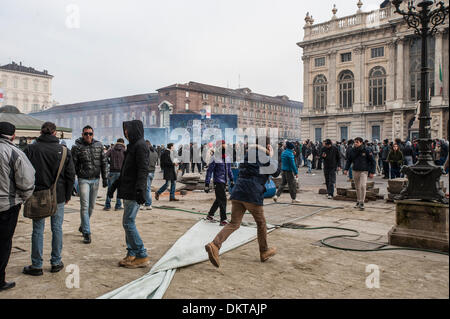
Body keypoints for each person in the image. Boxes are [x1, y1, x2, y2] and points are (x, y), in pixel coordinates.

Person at [205, 139, 280, 268]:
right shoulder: (262, 155)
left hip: (238, 192)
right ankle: (264, 251)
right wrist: (271, 157)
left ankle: (215, 245)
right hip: (252, 193)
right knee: (261, 223)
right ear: (267, 146)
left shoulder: (249, 154)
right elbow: (276, 171)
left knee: (234, 223)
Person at [22, 122, 75, 276]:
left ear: (41, 132)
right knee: (57, 228)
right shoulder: (64, 151)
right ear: (55, 133)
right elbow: (71, 175)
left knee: (37, 230)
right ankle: (56, 262)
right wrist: (68, 195)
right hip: (58, 195)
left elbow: (24, 172)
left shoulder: (31, 149)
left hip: (37, 194)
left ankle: (37, 265)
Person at [110, 120, 150, 268]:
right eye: (124, 129)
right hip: (128, 189)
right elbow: (127, 169)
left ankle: (141, 254)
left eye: (128, 129)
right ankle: (131, 252)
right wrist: (116, 184)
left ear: (135, 130)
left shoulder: (140, 146)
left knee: (128, 222)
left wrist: (140, 189)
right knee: (128, 223)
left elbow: (143, 170)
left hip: (134, 190)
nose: (125, 132)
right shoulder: (133, 146)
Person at [0, 122, 35, 291]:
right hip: (7, 206)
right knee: (3, 243)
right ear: (13, 136)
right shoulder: (14, 153)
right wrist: (24, 198)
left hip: (7, 203)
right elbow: (27, 181)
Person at [71, 125, 109, 244]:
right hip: (83, 179)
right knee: (85, 206)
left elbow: (104, 162)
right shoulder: (76, 147)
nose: (88, 136)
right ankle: (86, 232)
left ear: (93, 134)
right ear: (82, 134)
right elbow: (73, 164)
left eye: (90, 133)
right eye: (86, 133)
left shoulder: (99, 145)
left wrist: (105, 178)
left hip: (95, 179)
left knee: (91, 206)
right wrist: (74, 179)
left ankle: (83, 225)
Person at [204, 140, 234, 226]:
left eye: (225, 145)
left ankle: (210, 215)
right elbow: (209, 171)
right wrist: (207, 184)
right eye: (223, 145)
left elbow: (229, 169)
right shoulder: (214, 158)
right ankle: (223, 219)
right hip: (218, 181)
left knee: (219, 199)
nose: (224, 146)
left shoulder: (227, 157)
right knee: (223, 199)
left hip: (224, 181)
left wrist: (231, 180)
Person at [344, 137, 376, 211]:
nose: (355, 143)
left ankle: (362, 202)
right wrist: (346, 169)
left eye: (357, 142)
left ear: (361, 143)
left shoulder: (367, 150)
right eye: (355, 142)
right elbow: (349, 160)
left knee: (363, 185)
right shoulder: (352, 150)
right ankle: (358, 201)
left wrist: (372, 172)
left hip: (364, 171)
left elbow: (373, 161)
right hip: (355, 170)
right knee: (357, 187)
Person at [104, 138, 126, 211]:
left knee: (110, 189)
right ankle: (118, 205)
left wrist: (109, 163)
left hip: (112, 172)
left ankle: (107, 205)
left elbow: (105, 156)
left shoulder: (112, 149)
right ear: (123, 143)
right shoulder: (124, 150)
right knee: (119, 190)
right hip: (121, 172)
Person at [143, 140, 158, 210]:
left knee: (147, 189)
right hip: (152, 172)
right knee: (147, 188)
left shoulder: (146, 152)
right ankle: (147, 203)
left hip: (146, 171)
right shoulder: (155, 152)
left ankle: (148, 204)